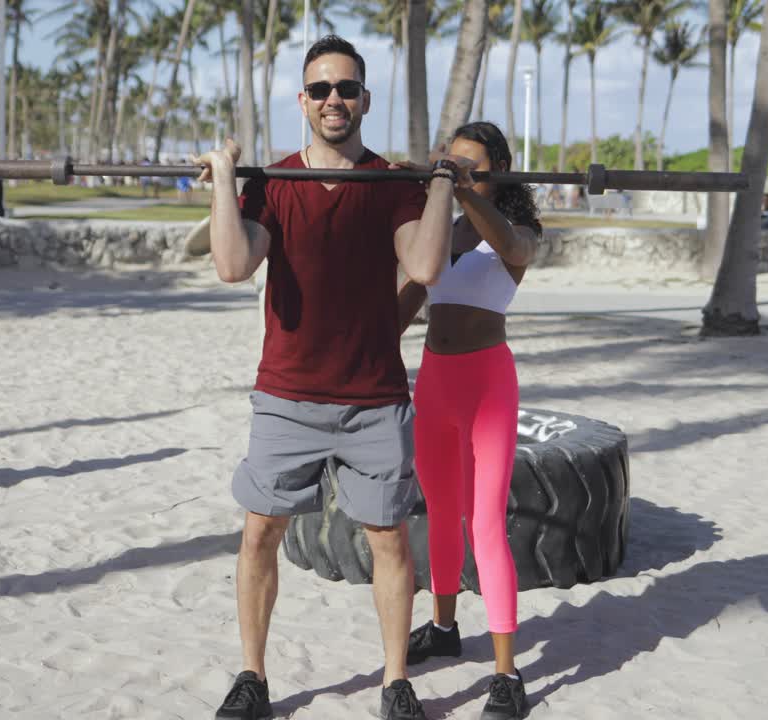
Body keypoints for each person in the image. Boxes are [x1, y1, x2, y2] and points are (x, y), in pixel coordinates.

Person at [196, 35, 456, 720]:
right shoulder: (275, 182)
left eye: (346, 88)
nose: (334, 99)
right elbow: (231, 265)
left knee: (389, 541)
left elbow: (426, 268)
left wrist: (439, 188)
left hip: (374, 399)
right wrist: (226, 178)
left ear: (364, 99)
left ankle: (396, 682)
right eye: (321, 89)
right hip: (287, 395)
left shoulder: (392, 184)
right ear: (303, 102)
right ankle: (253, 677)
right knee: (259, 534)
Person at [391, 121, 540, 720]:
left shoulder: (514, 230)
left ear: (495, 172)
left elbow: (514, 250)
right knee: (441, 511)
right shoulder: (443, 233)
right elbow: (404, 307)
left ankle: (507, 675)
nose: (457, 172)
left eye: (471, 166)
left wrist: (464, 188)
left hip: (487, 387)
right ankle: (444, 627)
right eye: (451, 162)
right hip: (434, 383)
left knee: (485, 524)